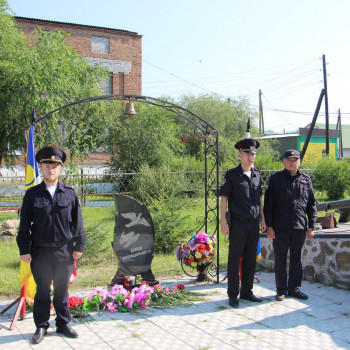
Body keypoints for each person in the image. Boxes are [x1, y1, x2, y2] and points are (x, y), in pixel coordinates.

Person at [17, 146, 86, 344]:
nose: (51, 169)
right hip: (40, 252)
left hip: (64, 251)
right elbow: (24, 226)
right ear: (40, 167)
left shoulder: (70, 193)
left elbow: (78, 223)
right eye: (47, 165)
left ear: (60, 169)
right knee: (42, 291)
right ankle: (41, 326)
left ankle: (63, 323)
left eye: (55, 166)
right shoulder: (32, 195)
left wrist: (78, 246)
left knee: (62, 290)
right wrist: (24, 250)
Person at [264, 149, 317, 301]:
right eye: (289, 159)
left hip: (299, 227)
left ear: (299, 162)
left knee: (297, 259)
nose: (292, 162)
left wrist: (312, 226)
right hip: (279, 227)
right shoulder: (275, 179)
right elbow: (268, 205)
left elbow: (312, 205)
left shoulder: (306, 180)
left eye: (295, 159)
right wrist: (269, 226)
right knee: (280, 259)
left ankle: (294, 288)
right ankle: (281, 290)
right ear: (284, 162)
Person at [219, 138, 266, 308]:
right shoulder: (232, 175)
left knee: (249, 260)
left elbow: (259, 199)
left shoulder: (257, 174)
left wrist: (263, 219)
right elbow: (224, 199)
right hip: (238, 223)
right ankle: (233, 294)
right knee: (234, 259)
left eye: (253, 153)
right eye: (247, 153)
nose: (250, 156)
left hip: (254, 223)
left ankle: (247, 291)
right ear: (240, 155)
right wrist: (223, 223)